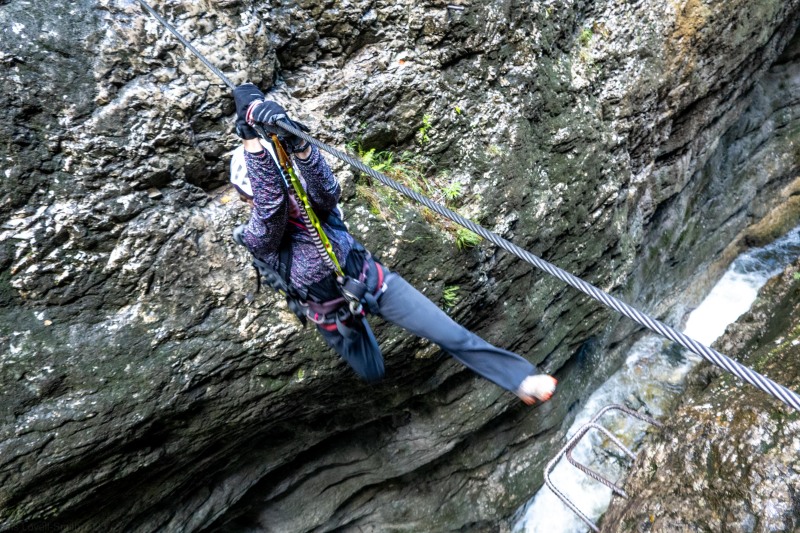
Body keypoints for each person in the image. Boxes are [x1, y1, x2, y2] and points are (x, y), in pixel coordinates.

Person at [229, 83, 557, 405]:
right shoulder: (259, 238)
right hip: (332, 313)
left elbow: (326, 189)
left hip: (369, 280)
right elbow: (271, 206)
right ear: (247, 198)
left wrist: (297, 145)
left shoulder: (306, 201)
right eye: (256, 194)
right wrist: (251, 140)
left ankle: (520, 378)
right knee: (372, 370)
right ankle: (356, 329)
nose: (280, 194)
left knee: (450, 333)